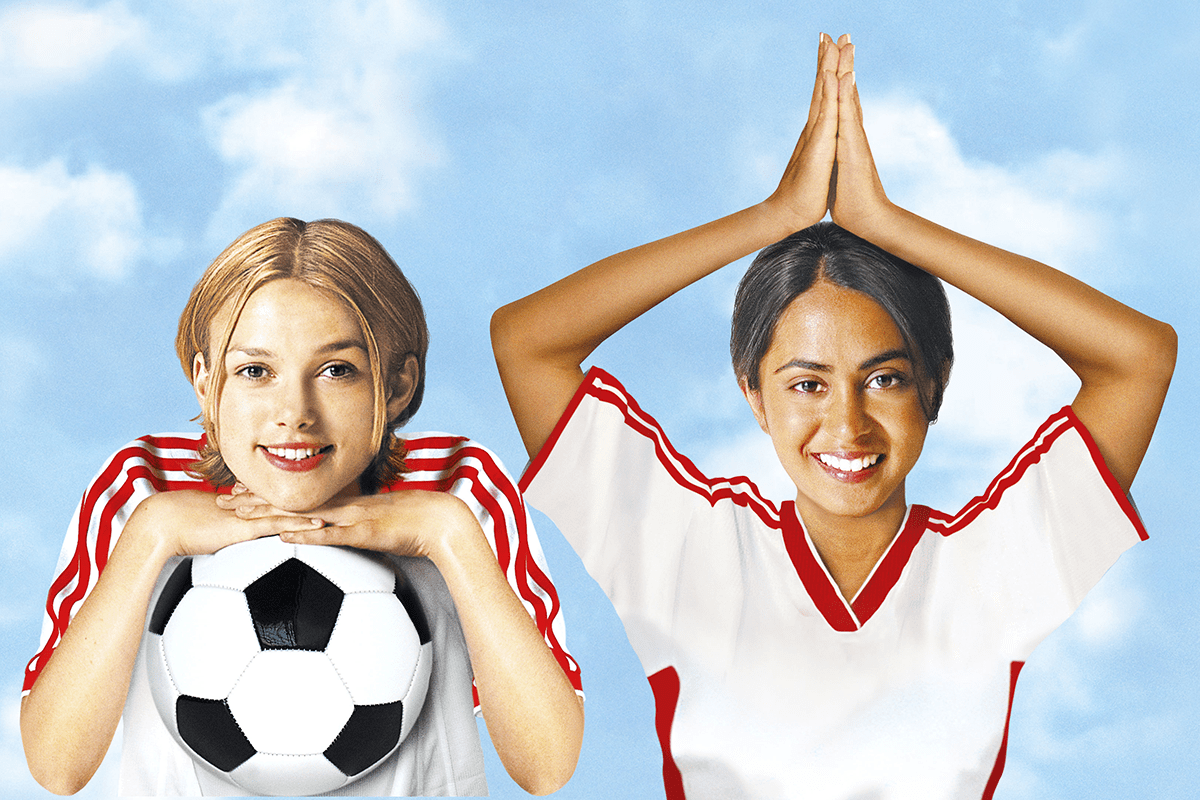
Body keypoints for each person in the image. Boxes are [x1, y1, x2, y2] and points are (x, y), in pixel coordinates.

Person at [490, 33, 1175, 799]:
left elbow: (1139, 358)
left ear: (935, 384)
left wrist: (889, 225)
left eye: (885, 378)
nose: (848, 426)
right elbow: (526, 343)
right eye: (807, 385)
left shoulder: (991, 575)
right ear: (754, 394)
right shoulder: (685, 549)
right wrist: (774, 217)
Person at [22, 218, 585, 796]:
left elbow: (547, 766)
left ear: (396, 386)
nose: (294, 412)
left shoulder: (458, 483)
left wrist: (449, 537)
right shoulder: (143, 484)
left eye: (337, 370)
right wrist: (151, 536)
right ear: (204, 381)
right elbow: (57, 766)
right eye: (255, 371)